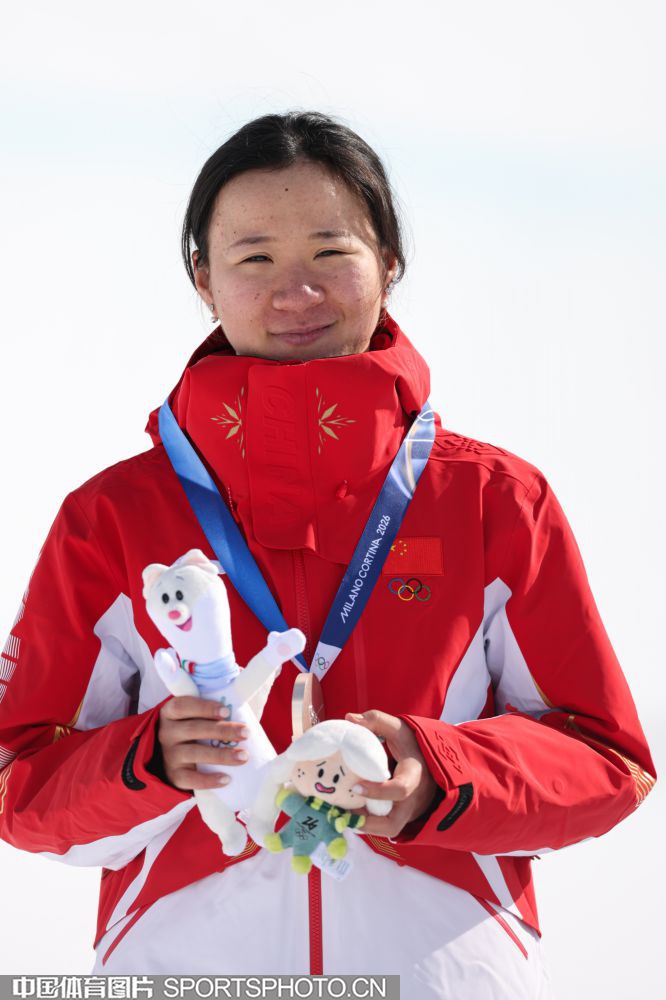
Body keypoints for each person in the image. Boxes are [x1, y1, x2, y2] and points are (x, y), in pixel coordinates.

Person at [0, 111, 656, 997]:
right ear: (203, 279)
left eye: (330, 251)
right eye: (255, 257)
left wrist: (438, 773)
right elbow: (19, 780)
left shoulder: (495, 500)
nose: (295, 291)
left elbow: (607, 760)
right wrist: (147, 759)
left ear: (388, 261)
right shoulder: (112, 517)